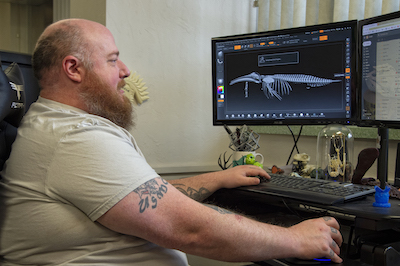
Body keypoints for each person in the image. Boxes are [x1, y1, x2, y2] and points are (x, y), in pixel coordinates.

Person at [0, 19, 343, 265]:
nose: (125, 71)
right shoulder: (74, 138)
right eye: (113, 59)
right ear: (73, 68)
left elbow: (144, 196)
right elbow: (189, 229)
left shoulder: (58, 123)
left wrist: (214, 179)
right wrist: (294, 239)